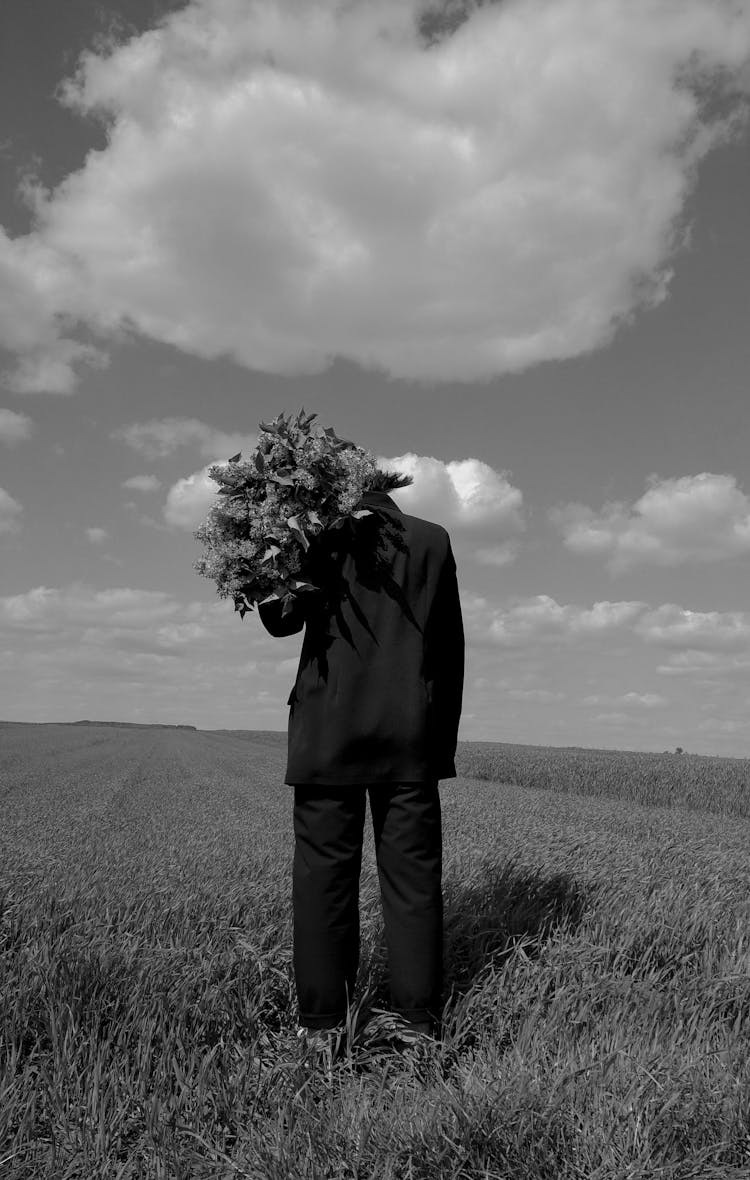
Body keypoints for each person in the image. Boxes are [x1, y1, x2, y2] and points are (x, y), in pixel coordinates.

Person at [258, 468, 464, 1053]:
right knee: (414, 882)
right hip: (409, 735)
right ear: (389, 493)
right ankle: (417, 1027)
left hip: (328, 732)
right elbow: (450, 647)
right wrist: (437, 742)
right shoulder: (432, 539)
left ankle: (323, 1029)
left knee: (323, 876)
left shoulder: (311, 539)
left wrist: (262, 558)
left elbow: (281, 622)